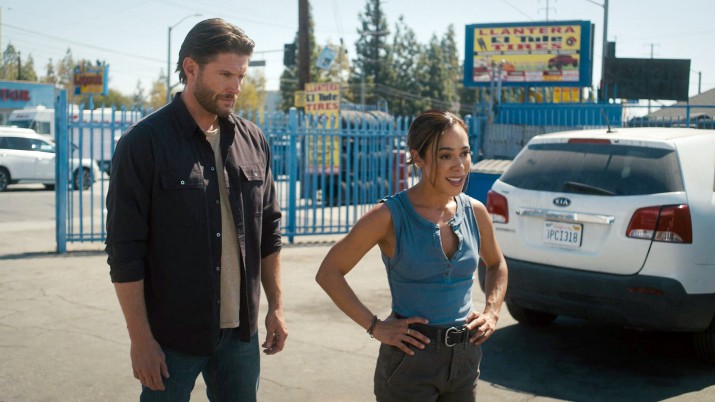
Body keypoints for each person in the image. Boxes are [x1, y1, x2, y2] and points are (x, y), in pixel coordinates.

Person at [105, 18, 286, 401]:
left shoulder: (253, 140)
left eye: (240, 75)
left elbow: (269, 231)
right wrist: (140, 340)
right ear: (191, 68)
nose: (236, 87)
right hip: (171, 339)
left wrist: (276, 307)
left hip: (241, 335)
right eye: (225, 74)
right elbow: (125, 251)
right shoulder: (144, 143)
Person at [316, 109, 508, 401]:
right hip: (409, 361)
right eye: (445, 156)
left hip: (465, 358)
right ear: (418, 158)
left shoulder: (476, 212)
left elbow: (496, 264)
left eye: (464, 153)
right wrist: (375, 326)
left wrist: (492, 312)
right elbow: (329, 272)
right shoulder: (388, 216)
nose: (459, 166)